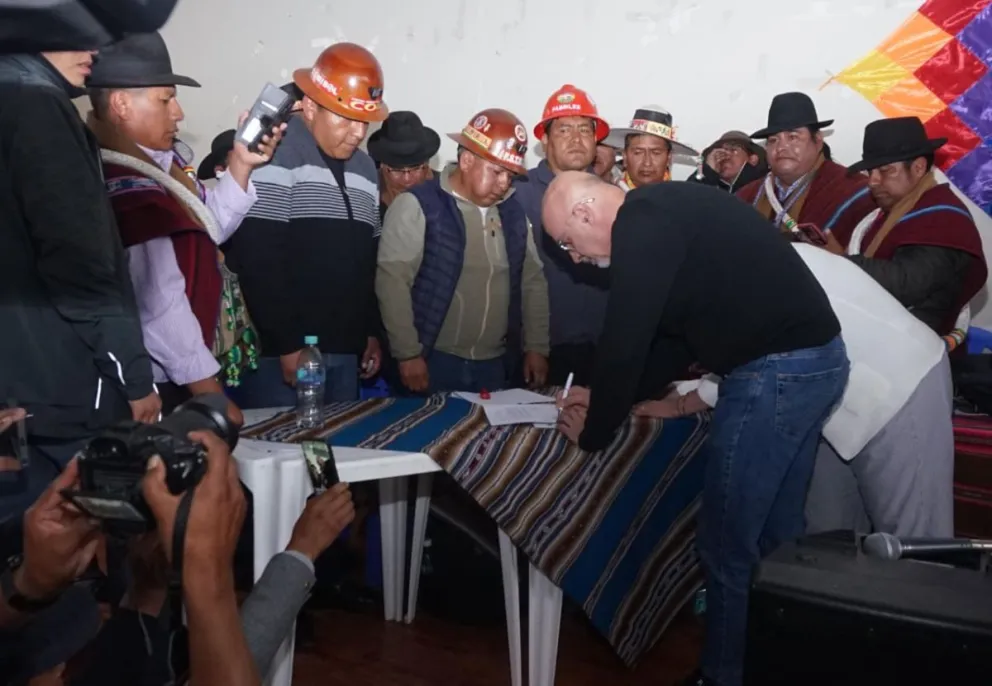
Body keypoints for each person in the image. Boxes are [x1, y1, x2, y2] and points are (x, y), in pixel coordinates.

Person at [544, 172, 848, 686]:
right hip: (815, 364)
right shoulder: (666, 211)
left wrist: (594, 430)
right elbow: (671, 342)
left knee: (726, 544)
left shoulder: (640, 223)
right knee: (778, 536)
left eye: (568, 244)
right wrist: (606, 396)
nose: (574, 258)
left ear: (584, 212)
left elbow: (626, 339)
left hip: (774, 372)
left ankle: (722, 676)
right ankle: (778, 664)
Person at [643, 243, 954, 538]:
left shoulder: (754, 272)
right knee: (829, 542)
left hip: (899, 389)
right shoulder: (740, 262)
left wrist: (681, 405)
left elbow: (746, 357)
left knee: (914, 544)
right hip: (830, 403)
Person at [86, 31, 283, 418]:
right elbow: (159, 306)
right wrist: (208, 392)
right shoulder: (128, 190)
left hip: (176, 373)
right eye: (166, 99)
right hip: (153, 384)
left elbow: (209, 226)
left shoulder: (165, 170)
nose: (179, 113)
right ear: (122, 104)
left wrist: (241, 164)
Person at [0, 47, 159, 518]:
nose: (93, 50)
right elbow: (79, 266)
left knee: (22, 559)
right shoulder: (38, 107)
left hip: (21, 390)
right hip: (64, 394)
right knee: (74, 554)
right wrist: (133, 375)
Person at [224, 43, 387, 406]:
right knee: (281, 454)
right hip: (285, 354)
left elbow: (367, 261)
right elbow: (259, 257)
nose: (358, 133)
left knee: (339, 454)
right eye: (344, 118)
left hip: (346, 348)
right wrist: (287, 344)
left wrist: (369, 332)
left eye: (364, 121)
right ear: (310, 106)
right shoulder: (274, 153)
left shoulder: (366, 169)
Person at [376, 108, 550, 393]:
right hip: (434, 361)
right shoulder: (419, 204)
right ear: (467, 160)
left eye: (510, 174)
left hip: (496, 366)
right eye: (496, 171)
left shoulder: (513, 213)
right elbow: (392, 282)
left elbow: (533, 282)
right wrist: (407, 353)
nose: (505, 183)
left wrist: (537, 347)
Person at [843, 116, 987, 349]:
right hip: (884, 339)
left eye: (885, 170)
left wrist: (838, 263)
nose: (872, 181)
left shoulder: (943, 218)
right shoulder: (893, 209)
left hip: (914, 354)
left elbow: (906, 284)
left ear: (919, 167)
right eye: (871, 171)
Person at [513, 84, 611, 385]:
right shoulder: (518, 194)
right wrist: (532, 346)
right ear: (545, 140)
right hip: (538, 351)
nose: (576, 139)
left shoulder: (613, 197)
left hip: (602, 350)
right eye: (564, 130)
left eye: (584, 129)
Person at [736, 92, 876, 245]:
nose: (781, 147)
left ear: (817, 141)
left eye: (793, 137)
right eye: (773, 140)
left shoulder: (855, 191)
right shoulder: (746, 196)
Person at [603, 104, 698, 190]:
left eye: (656, 153)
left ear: (669, 158)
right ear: (625, 157)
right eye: (638, 153)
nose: (647, 163)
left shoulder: (681, 201)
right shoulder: (607, 197)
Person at [367, 110, 440, 222]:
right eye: (396, 170)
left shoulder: (443, 192)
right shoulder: (368, 191)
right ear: (382, 165)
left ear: (426, 164)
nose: (407, 179)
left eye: (416, 168)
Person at [687, 130, 767, 193]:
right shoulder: (714, 189)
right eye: (720, 151)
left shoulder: (763, 190)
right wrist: (707, 171)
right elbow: (686, 200)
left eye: (733, 150)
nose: (725, 155)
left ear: (752, 159)